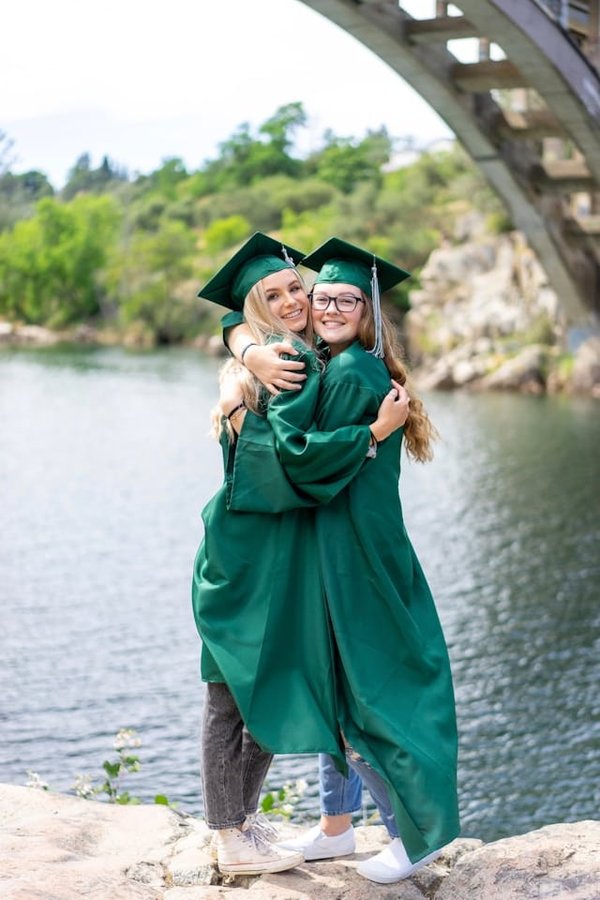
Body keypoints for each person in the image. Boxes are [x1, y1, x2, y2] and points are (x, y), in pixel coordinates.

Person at [222, 237, 460, 884]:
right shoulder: (341, 362)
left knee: (364, 690)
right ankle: (336, 826)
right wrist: (241, 349)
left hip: (354, 550)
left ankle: (416, 834)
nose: (326, 307)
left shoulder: (353, 372)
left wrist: (240, 410)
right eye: (320, 296)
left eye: (344, 299)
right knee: (334, 679)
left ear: (368, 310)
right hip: (342, 540)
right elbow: (236, 320)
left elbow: (302, 456)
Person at [192, 233, 408, 877]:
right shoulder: (285, 360)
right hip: (248, 551)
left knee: (270, 680)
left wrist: (245, 344)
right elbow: (288, 461)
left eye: (299, 289)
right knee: (230, 689)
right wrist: (372, 433)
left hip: (278, 550)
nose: (294, 301)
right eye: (275, 295)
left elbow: (233, 322)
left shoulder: (284, 350)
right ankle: (228, 831)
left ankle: (245, 817)